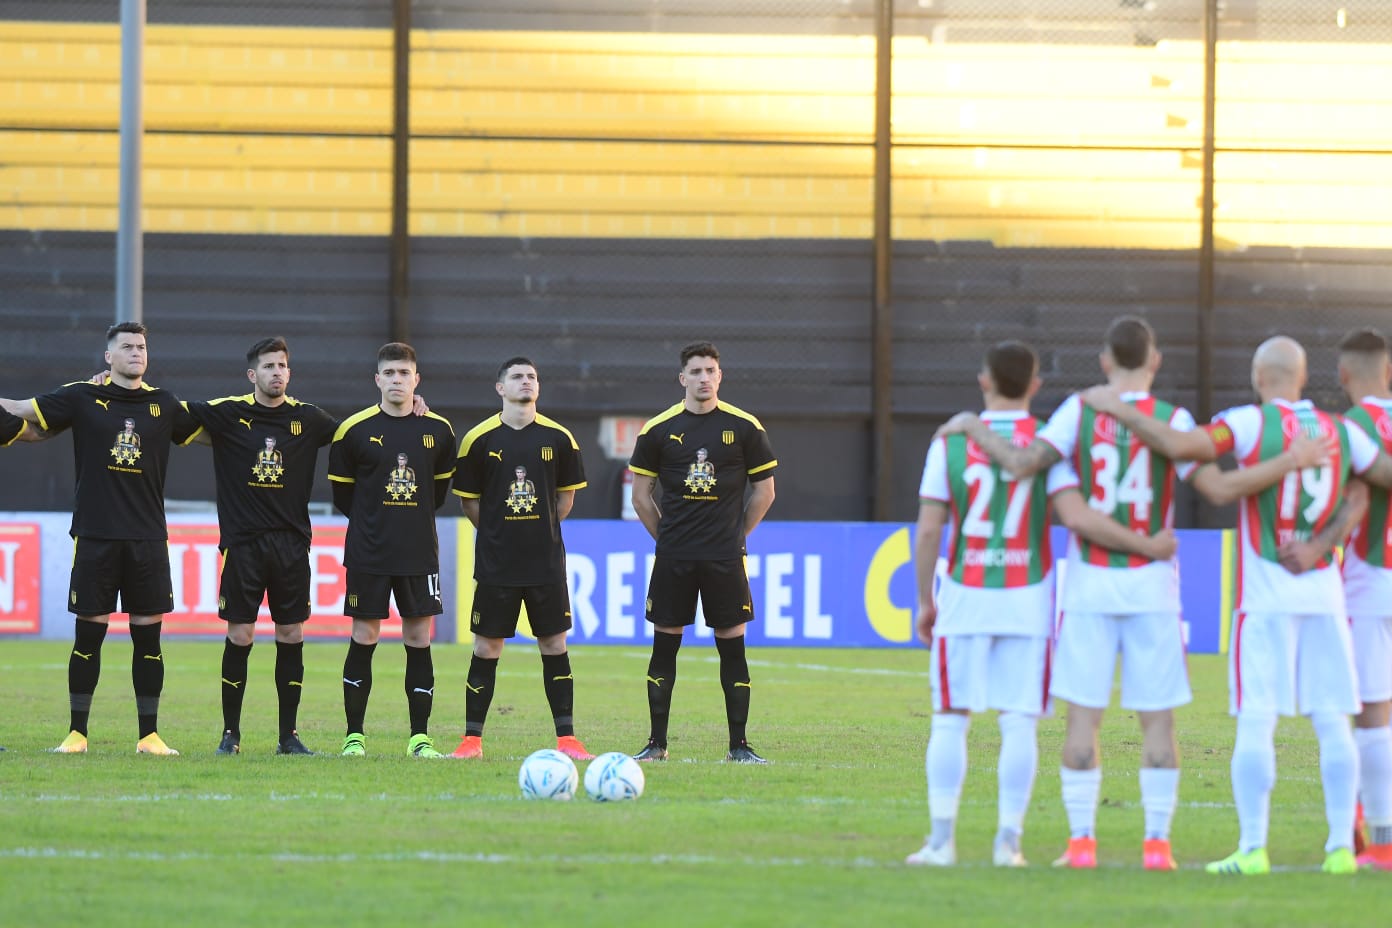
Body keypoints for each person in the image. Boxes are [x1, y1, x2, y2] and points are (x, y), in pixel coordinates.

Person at [938, 317, 1326, 869]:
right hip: (1153, 591)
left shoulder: (1080, 410)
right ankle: (1156, 847)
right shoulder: (1175, 420)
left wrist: (969, 427)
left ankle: (1081, 845)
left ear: (1104, 361)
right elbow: (1216, 488)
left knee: (1082, 720)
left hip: (1091, 586)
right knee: (1158, 721)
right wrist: (1288, 461)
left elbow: (1023, 464)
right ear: (1155, 360)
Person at [1083, 334, 1392, 876]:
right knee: (1333, 722)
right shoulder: (1339, 430)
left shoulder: (1247, 423)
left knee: (1256, 720)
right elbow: (1374, 482)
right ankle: (1341, 849)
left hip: (1265, 599)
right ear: (1303, 377)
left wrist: (1119, 412)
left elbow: (1184, 450)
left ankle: (1253, 849)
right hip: (1323, 593)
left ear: (1257, 375)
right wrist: (1324, 543)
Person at [906, 340, 1179, 868]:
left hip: (965, 591)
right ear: (1034, 386)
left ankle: (941, 843)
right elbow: (1073, 512)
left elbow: (928, 531)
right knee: (1019, 722)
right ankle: (1009, 844)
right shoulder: (1053, 442)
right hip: (1028, 594)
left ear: (984, 380)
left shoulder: (952, 440)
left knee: (949, 719)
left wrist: (925, 599)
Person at [0, 322, 199, 755]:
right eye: (126, 346)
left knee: (149, 638)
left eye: (141, 346)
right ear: (108, 357)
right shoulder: (82, 396)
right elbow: (24, 412)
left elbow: (210, 429)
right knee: (88, 637)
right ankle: (77, 734)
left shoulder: (164, 404)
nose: (135, 352)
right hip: (95, 536)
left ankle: (149, 736)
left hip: (148, 539)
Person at [181, 337, 339, 756]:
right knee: (242, 633)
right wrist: (114, 386)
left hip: (291, 546)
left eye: (282, 366)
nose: (277, 373)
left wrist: (411, 407)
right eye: (268, 366)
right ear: (253, 374)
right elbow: (166, 414)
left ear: (289, 372)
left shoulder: (308, 419)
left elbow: (357, 436)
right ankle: (230, 735)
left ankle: (288, 737)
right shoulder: (229, 413)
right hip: (244, 544)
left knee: (290, 633)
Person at [628, 341, 777, 764]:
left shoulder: (745, 426)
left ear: (720, 376)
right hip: (674, 559)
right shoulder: (656, 430)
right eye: (695, 371)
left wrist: (734, 535)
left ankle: (739, 746)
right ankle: (656, 744)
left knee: (732, 650)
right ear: (682, 379)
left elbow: (765, 491)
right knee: (664, 649)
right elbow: (642, 497)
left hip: (724, 559)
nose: (704, 378)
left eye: (710, 370)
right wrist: (669, 539)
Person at [1280, 328, 1392, 871]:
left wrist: (1314, 547)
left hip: (1372, 578)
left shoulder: (1351, 430)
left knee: (1371, 712)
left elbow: (1352, 497)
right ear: (1388, 371)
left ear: (1343, 375)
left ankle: (1379, 837)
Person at [449, 357, 592, 761]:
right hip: (497, 563)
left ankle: (568, 739)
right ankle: (471, 741)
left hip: (545, 561)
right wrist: (499, 531)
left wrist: (536, 527)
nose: (526, 382)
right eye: (517, 377)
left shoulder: (560, 438)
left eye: (532, 377)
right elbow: (469, 502)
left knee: (553, 644)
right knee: (487, 646)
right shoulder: (478, 439)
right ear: (500, 388)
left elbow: (564, 501)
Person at [328, 342, 456, 758]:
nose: (397, 380)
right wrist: (374, 523)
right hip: (369, 551)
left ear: (416, 380)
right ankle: (354, 737)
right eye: (390, 373)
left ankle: (420, 737)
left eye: (405, 373)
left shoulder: (438, 430)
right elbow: (343, 496)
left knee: (418, 637)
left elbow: (436, 493)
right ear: (377, 379)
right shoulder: (353, 431)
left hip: (419, 551)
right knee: (364, 635)